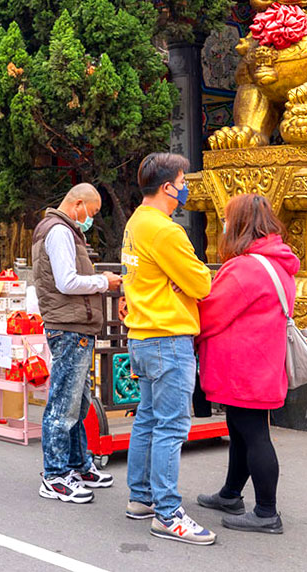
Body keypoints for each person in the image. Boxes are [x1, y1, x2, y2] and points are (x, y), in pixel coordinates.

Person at [121, 152, 215, 545]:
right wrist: (186, 279)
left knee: (147, 418)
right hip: (168, 337)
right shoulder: (166, 231)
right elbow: (201, 283)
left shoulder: (136, 222)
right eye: (182, 181)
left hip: (143, 335)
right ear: (167, 187)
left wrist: (180, 279)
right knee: (172, 426)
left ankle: (141, 497)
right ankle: (167, 512)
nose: (185, 187)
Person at [195, 193, 297, 535]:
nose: (223, 225)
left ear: (239, 224)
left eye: (226, 219)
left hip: (243, 367)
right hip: (262, 363)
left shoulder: (245, 267)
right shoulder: (278, 262)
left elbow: (210, 313)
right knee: (241, 430)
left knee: (254, 435)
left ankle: (266, 511)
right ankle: (230, 494)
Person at [33, 184, 120, 504]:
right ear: (78, 204)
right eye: (92, 213)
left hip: (74, 326)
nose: (91, 219)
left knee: (77, 403)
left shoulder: (62, 229)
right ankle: (55, 475)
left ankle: (77, 464)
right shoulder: (59, 231)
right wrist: (103, 281)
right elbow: (67, 282)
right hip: (68, 327)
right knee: (64, 405)